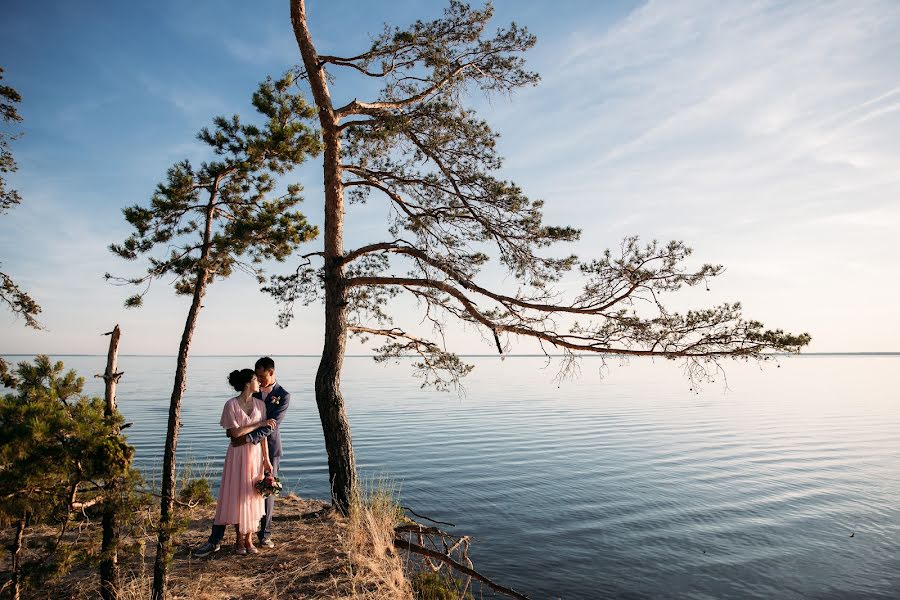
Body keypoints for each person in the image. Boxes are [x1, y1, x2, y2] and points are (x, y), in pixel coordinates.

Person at [194, 357, 291, 557]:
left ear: (271, 373)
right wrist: (243, 436)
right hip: (240, 453)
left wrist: (247, 440)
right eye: (257, 376)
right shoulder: (235, 402)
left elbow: (271, 425)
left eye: (262, 376)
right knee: (234, 492)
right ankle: (216, 539)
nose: (260, 380)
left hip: (266, 450)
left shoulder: (283, 396)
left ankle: (263, 535)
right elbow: (237, 431)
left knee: (264, 493)